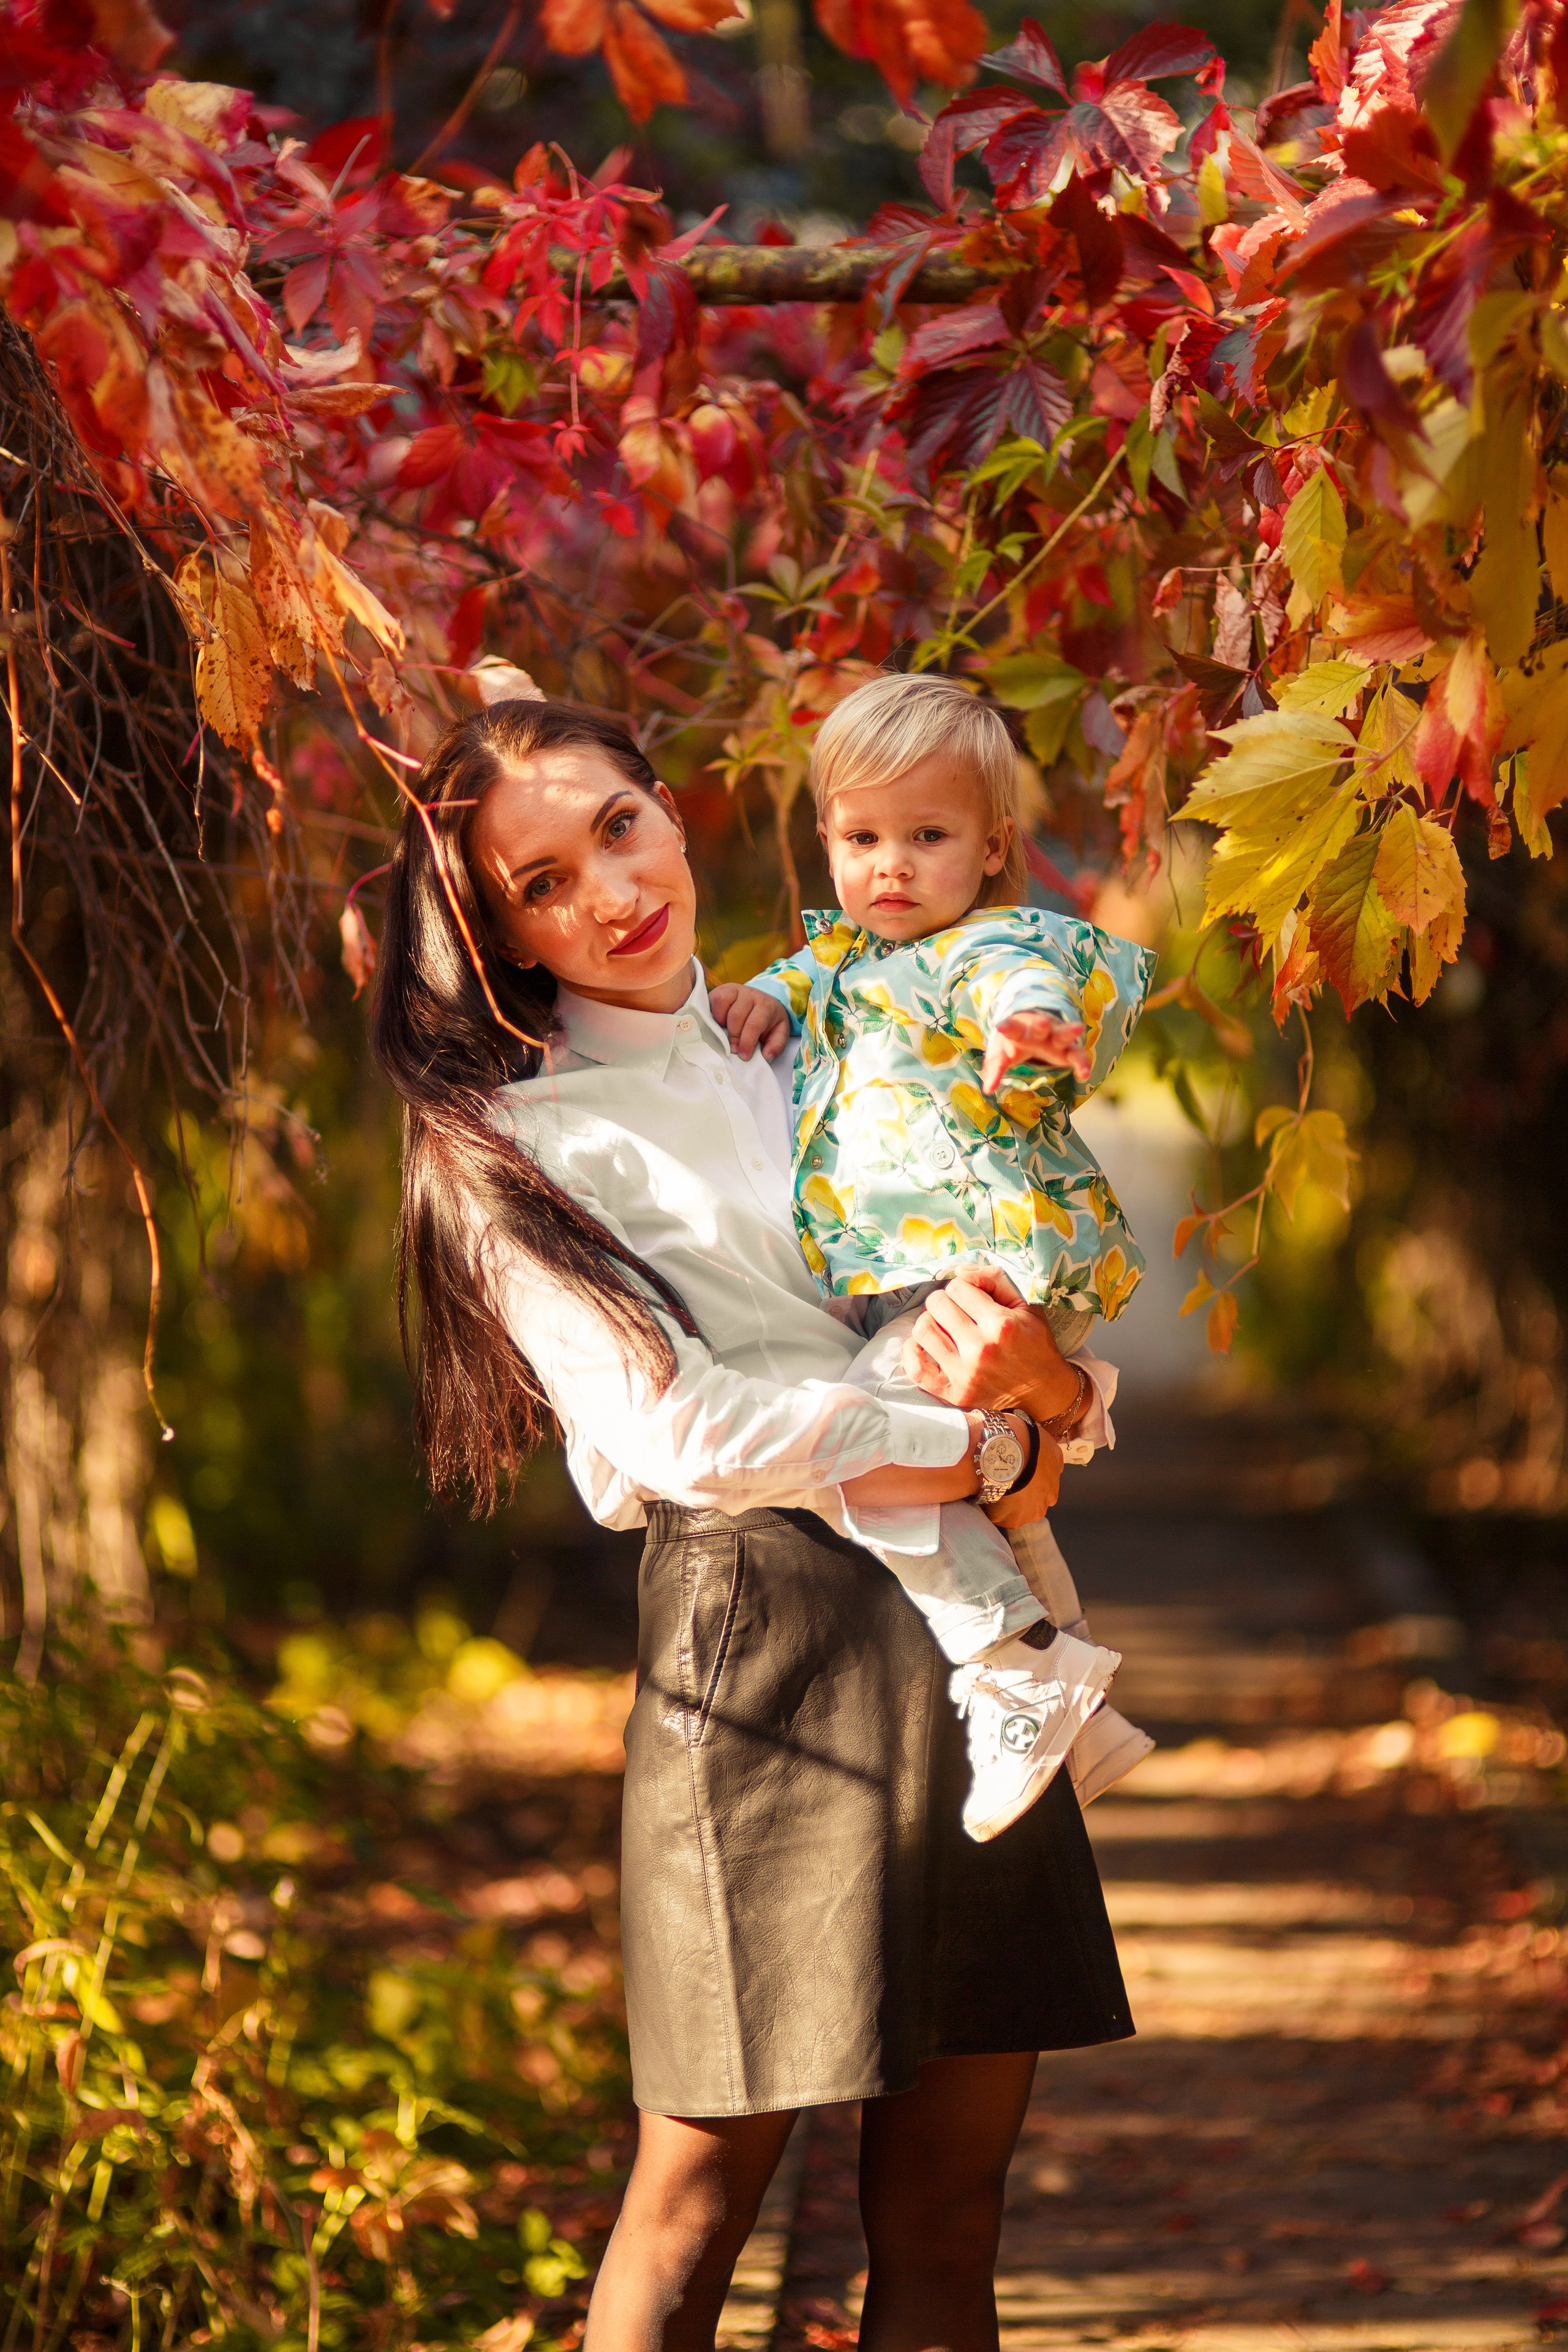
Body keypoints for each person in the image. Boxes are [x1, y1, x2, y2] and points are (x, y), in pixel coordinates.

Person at [371, 696, 1133, 2350]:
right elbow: (683, 1430)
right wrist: (972, 1445)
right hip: (759, 1647)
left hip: (974, 1641)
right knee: (695, 2203)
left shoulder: (843, 1031)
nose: (611, 895)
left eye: (620, 829)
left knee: (951, 2204)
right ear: (503, 936)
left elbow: (1017, 1310)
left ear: (674, 813)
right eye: (543, 884)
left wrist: (1048, 1401)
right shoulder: (518, 1146)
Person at [710, 674, 1156, 1839]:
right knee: (988, 1502)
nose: (892, 867)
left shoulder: (983, 947)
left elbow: (1026, 984)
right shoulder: (835, 962)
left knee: (861, 1449)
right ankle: (1078, 1702)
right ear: (826, 839)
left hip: (986, 1281)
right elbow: (785, 991)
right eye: (862, 838)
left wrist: (1030, 1030)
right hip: (913, 1290)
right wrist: (757, 999)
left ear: (994, 846)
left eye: (928, 836)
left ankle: (1008, 1664)